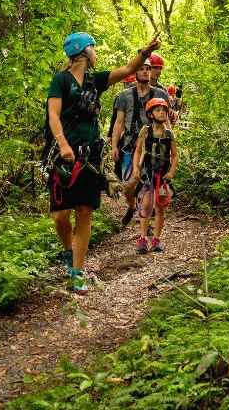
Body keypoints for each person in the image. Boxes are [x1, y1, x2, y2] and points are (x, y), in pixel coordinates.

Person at [45, 32, 160, 294]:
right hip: (62, 155)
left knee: (84, 211)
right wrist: (63, 144)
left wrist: (146, 50)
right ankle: (68, 251)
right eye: (93, 49)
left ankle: (77, 270)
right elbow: (53, 115)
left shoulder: (95, 81)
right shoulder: (60, 80)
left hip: (89, 156)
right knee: (60, 216)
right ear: (83, 52)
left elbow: (129, 69)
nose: (96, 54)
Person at [111, 60, 169, 226]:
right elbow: (119, 122)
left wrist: (170, 141)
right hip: (130, 146)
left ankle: (147, 222)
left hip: (154, 148)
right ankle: (131, 206)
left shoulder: (160, 94)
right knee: (128, 185)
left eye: (148, 69)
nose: (145, 72)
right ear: (135, 72)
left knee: (149, 185)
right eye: (141, 69)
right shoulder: (124, 96)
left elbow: (166, 120)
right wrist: (114, 145)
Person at [128, 97, 178, 254]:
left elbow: (175, 155)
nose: (162, 112)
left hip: (163, 176)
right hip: (147, 174)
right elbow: (137, 150)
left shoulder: (169, 134)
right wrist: (136, 169)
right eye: (158, 110)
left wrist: (171, 172)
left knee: (160, 207)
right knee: (146, 205)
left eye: (164, 110)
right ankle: (142, 238)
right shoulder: (145, 131)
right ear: (151, 114)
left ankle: (156, 239)